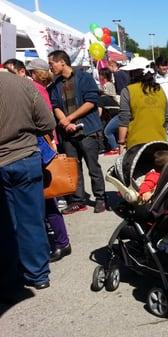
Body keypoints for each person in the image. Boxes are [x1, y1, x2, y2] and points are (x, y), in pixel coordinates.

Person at [0, 70, 56, 299]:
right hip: (25, 157)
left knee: (5, 225)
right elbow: (47, 122)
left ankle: (9, 280)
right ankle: (38, 275)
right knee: (31, 219)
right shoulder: (23, 84)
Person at [24, 59, 72, 262]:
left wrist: (51, 141)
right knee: (43, 199)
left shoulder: (33, 89)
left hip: (38, 148)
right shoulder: (38, 88)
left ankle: (59, 241)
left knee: (44, 199)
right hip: (40, 147)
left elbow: (46, 120)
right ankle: (58, 241)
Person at [48, 50, 106, 214]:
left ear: (62, 62)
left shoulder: (84, 78)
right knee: (73, 168)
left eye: (52, 63)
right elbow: (55, 106)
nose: (50, 67)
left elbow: (91, 102)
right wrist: (64, 122)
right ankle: (78, 200)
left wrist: (70, 118)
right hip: (67, 133)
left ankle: (100, 198)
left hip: (87, 130)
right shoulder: (55, 85)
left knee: (93, 167)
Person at [117, 57, 168, 150]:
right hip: (160, 141)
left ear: (133, 73)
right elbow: (166, 116)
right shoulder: (160, 90)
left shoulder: (128, 91)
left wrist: (121, 142)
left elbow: (124, 119)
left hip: (137, 144)